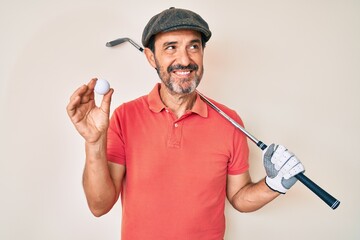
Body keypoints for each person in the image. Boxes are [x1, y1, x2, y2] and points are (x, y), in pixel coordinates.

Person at [66, 7, 305, 240]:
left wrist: (274, 184)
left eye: (194, 46)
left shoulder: (230, 122)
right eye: (171, 47)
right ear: (151, 57)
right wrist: (94, 142)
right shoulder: (125, 116)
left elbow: (240, 197)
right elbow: (100, 206)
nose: (185, 59)